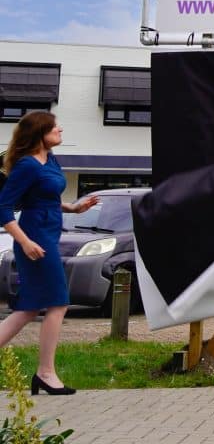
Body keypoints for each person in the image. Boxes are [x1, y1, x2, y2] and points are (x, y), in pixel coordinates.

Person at [0, 113, 98, 394]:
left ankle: (44, 373)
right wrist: (26, 242)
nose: (60, 128)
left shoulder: (50, 159)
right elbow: (4, 208)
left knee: (29, 309)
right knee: (58, 302)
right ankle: (45, 373)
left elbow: (46, 198)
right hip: (36, 240)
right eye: (55, 126)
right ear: (40, 132)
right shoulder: (27, 166)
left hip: (50, 236)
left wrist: (73, 208)